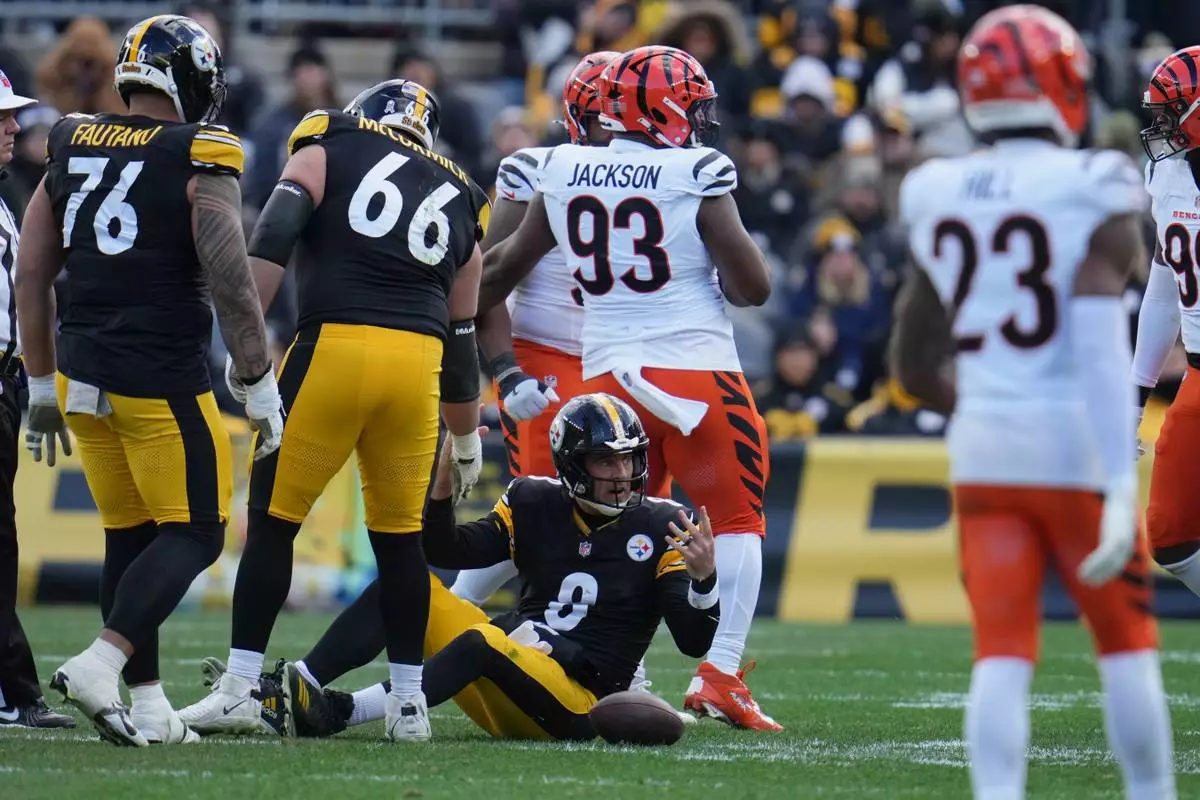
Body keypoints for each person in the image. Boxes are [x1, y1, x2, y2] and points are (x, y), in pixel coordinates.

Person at [889, 7, 1174, 799]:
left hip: (985, 450)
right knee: (1126, 645)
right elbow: (1097, 343)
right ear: (1063, 84)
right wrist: (1116, 479)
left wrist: (988, 405)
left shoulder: (936, 187)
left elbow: (911, 363)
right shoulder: (1094, 181)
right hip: (1075, 447)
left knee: (1001, 653)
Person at [178, 79, 490, 744]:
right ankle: (409, 705)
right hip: (418, 369)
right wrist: (466, 439)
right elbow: (463, 336)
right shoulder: (464, 193)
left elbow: (273, 236)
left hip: (334, 350)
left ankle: (239, 690)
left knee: (274, 523)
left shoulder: (329, 139)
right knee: (400, 542)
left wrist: (246, 341)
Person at [480, 45, 779, 731]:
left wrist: (477, 346)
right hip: (695, 372)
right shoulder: (697, 170)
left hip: (606, 376)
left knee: (622, 525)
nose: (701, 119)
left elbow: (497, 272)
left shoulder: (561, 167)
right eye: (693, 106)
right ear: (669, 110)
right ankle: (719, 674)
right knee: (734, 520)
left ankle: (605, 666)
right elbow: (753, 288)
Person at [15, 15, 284, 747]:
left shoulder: (71, 138)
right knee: (196, 531)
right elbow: (231, 280)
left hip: (80, 375)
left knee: (129, 537)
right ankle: (102, 662)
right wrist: (259, 380)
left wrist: (40, 384)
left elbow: (32, 274)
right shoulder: (199, 150)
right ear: (193, 81)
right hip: (159, 375)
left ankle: (151, 707)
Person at [204, 393, 720, 741]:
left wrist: (703, 582)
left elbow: (693, 641)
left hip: (579, 701)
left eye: (629, 459)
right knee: (406, 586)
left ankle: (342, 712)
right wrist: (441, 491)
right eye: (606, 460)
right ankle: (294, 689)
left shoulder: (662, 524)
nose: (623, 473)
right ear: (572, 463)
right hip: (509, 670)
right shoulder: (534, 500)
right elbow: (447, 550)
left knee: (485, 639)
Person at [451, 50, 616, 608]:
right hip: (549, 351)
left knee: (628, 503)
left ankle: (611, 643)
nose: (624, 128)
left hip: (629, 358)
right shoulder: (536, 168)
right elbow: (485, 280)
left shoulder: (667, 173)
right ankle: (455, 613)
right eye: (611, 115)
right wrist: (507, 371)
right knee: (545, 503)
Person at [0, 68, 74, 731]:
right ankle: (13, 690)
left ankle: (12, 689)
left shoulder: (6, 198)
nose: (14, 127)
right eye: (0, 117)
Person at [1133, 45, 1200, 601]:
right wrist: (1137, 392)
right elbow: (1162, 288)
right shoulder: (1168, 174)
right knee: (1171, 536)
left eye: (1169, 112)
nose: (1159, 126)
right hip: (1199, 376)